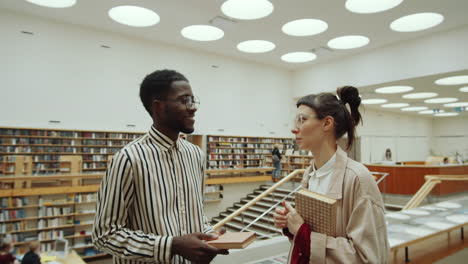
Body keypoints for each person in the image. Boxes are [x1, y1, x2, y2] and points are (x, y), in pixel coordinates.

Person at [92, 69, 228, 263]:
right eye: (184, 100)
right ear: (158, 107)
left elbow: (195, 214)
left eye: (193, 100)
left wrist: (210, 237)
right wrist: (171, 245)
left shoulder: (195, 154)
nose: (193, 108)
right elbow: (105, 235)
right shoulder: (129, 159)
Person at [273, 86, 389, 263]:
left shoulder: (358, 179)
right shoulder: (309, 175)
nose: (294, 129)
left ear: (327, 123)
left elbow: (367, 257)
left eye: (302, 120)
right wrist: (291, 224)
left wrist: (302, 231)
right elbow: (311, 240)